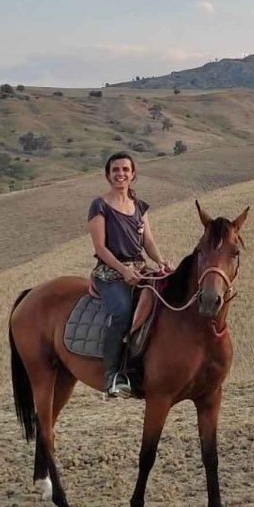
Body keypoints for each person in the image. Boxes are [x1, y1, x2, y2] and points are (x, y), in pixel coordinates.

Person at [87, 152, 170, 397]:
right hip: (110, 273)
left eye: (125, 169)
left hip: (139, 269)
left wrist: (161, 262)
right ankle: (112, 376)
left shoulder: (139, 206)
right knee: (123, 313)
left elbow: (149, 242)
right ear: (107, 175)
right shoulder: (99, 206)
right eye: (115, 170)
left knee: (164, 302)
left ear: (133, 174)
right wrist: (123, 271)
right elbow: (100, 248)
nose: (120, 174)